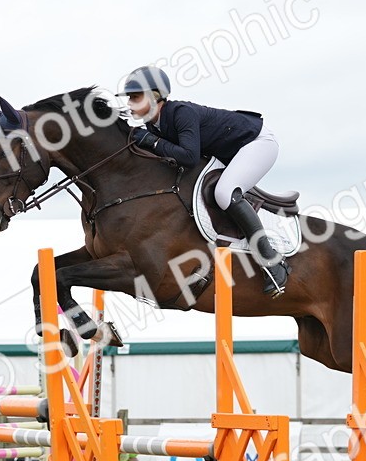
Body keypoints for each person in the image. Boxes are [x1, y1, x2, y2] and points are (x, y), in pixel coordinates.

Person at [122, 64, 288, 297]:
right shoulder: (154, 124)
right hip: (231, 151)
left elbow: (189, 157)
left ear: (154, 96)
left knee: (224, 192)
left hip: (257, 143)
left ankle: (272, 262)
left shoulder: (180, 113)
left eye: (135, 97)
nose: (129, 103)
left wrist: (152, 141)